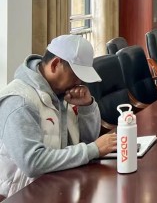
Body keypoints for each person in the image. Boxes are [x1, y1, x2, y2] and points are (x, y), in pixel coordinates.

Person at [0, 35, 117, 199]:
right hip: (21, 195)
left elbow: (88, 140)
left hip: (60, 185)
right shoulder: (20, 102)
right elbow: (32, 162)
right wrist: (93, 150)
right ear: (55, 64)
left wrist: (87, 107)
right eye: (75, 75)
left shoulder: (62, 92)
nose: (79, 82)